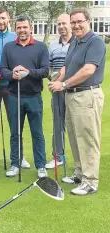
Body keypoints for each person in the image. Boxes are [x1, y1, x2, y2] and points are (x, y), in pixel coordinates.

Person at [48, 8, 105, 196]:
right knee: (74, 137)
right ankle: (80, 174)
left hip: (87, 95)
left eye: (79, 21)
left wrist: (63, 84)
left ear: (87, 21)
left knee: (87, 139)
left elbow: (88, 70)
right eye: (73, 22)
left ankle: (90, 181)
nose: (76, 25)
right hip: (72, 95)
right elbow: (67, 66)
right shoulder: (75, 42)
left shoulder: (95, 41)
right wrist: (58, 79)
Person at [1, 16, 49, 178]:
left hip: (34, 96)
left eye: (25, 27)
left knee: (37, 132)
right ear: (15, 29)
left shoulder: (41, 47)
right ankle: (15, 163)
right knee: (15, 132)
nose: (22, 30)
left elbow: (45, 71)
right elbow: (3, 70)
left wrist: (27, 72)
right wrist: (12, 75)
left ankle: (41, 165)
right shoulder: (9, 47)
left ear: (31, 28)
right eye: (19, 27)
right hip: (14, 96)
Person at [0, 7, 30, 169]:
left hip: (12, 86)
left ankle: (19, 156)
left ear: (8, 18)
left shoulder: (15, 36)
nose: (0, 21)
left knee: (15, 122)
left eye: (3, 18)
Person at [45, 14, 74, 169]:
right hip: (56, 88)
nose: (62, 26)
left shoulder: (78, 42)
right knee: (58, 123)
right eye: (59, 24)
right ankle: (58, 156)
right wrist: (52, 76)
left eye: (65, 23)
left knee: (75, 124)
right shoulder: (53, 45)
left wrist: (61, 79)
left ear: (70, 24)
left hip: (74, 88)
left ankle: (79, 159)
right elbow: (48, 65)